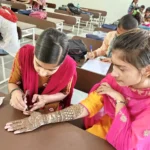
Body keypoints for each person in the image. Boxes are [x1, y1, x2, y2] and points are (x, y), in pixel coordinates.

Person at [5, 29, 150, 150]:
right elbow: (86, 106)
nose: (112, 73)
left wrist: (120, 101)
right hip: (99, 134)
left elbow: (127, 143)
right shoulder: (114, 81)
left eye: (122, 68)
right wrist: (43, 119)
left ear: (147, 70)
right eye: (113, 65)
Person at [8, 28, 77, 114]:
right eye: (38, 65)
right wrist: (15, 92)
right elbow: (13, 82)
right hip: (22, 106)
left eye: (51, 69)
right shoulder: (24, 55)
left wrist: (45, 99)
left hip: (50, 109)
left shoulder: (68, 66)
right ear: (34, 52)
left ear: (62, 63)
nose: (42, 73)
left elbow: (65, 92)